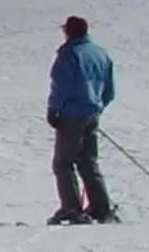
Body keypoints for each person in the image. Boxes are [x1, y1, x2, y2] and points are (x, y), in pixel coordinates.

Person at [47, 15, 117, 224]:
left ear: (68, 32)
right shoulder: (100, 54)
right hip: (92, 114)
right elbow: (109, 90)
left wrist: (54, 110)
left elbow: (61, 86)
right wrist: (96, 108)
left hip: (71, 115)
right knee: (88, 162)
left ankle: (71, 209)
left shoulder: (69, 54)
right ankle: (101, 207)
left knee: (63, 163)